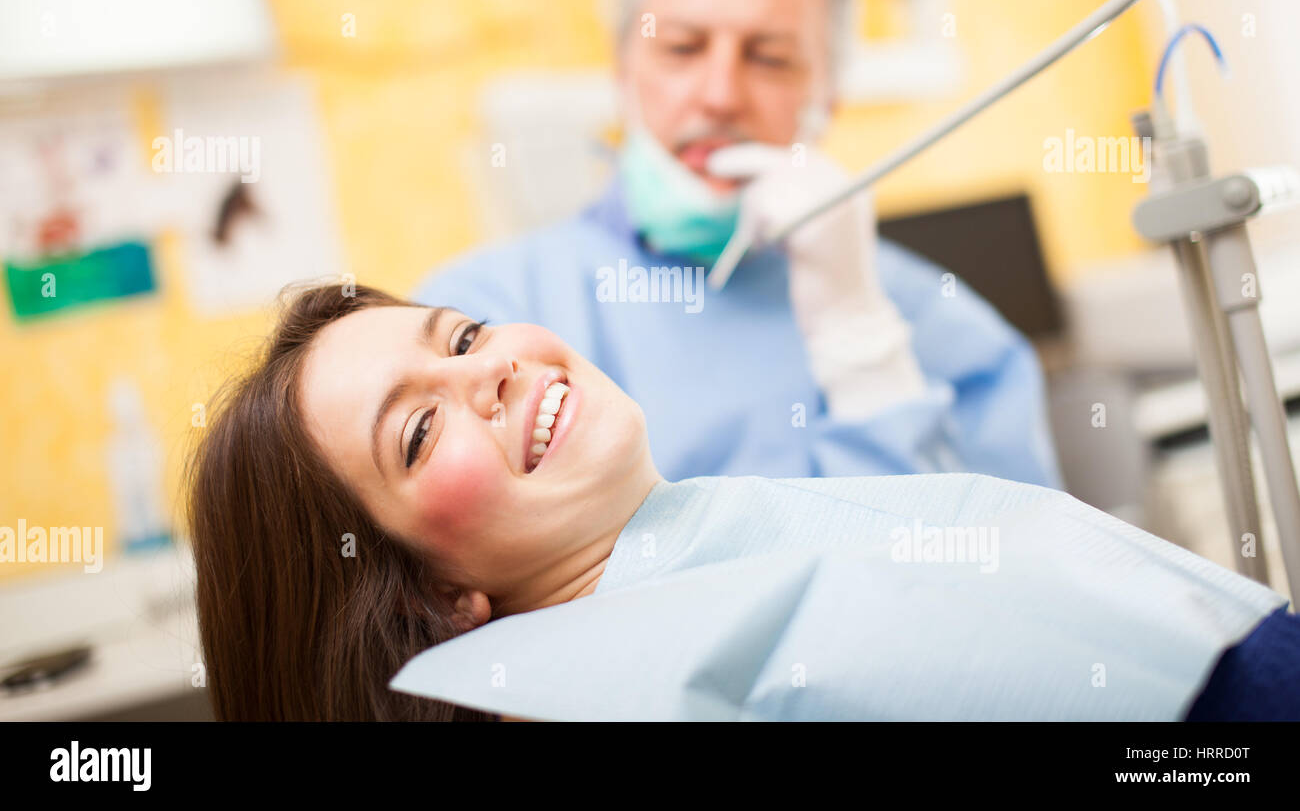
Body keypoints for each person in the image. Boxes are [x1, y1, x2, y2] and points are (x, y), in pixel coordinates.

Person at [185, 281, 1297, 721]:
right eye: (419, 431)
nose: (490, 371)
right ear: (433, 594)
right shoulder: (670, 686)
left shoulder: (707, 550)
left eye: (466, 334)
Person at [413, 0, 1060, 488]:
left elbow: (1012, 578)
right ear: (622, 69)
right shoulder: (481, 315)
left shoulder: (940, 324)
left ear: (826, 98)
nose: (720, 94)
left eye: (770, 58)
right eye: (681, 48)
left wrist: (861, 343)